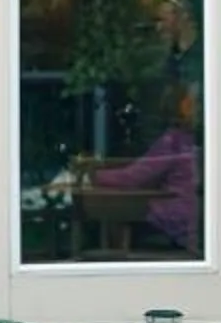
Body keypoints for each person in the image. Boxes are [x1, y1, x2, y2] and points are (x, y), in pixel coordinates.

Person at [83, 85, 202, 255]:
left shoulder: (173, 143)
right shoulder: (187, 141)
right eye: (195, 104)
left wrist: (92, 176)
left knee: (113, 223)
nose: (199, 109)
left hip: (172, 226)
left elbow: (134, 177)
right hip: (186, 225)